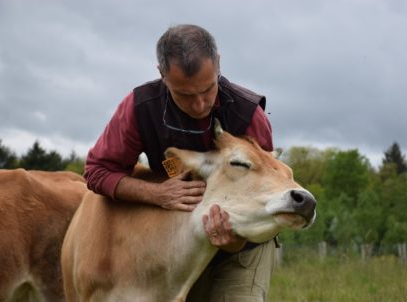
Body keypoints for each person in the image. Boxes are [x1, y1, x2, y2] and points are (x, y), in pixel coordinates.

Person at [84, 24, 276, 301]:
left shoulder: (249, 116)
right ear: (162, 75)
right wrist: (156, 193)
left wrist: (235, 240)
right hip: (176, 243)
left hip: (242, 246)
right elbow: (97, 171)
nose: (199, 105)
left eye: (208, 90)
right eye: (184, 95)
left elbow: (266, 194)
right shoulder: (139, 107)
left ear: (218, 63)